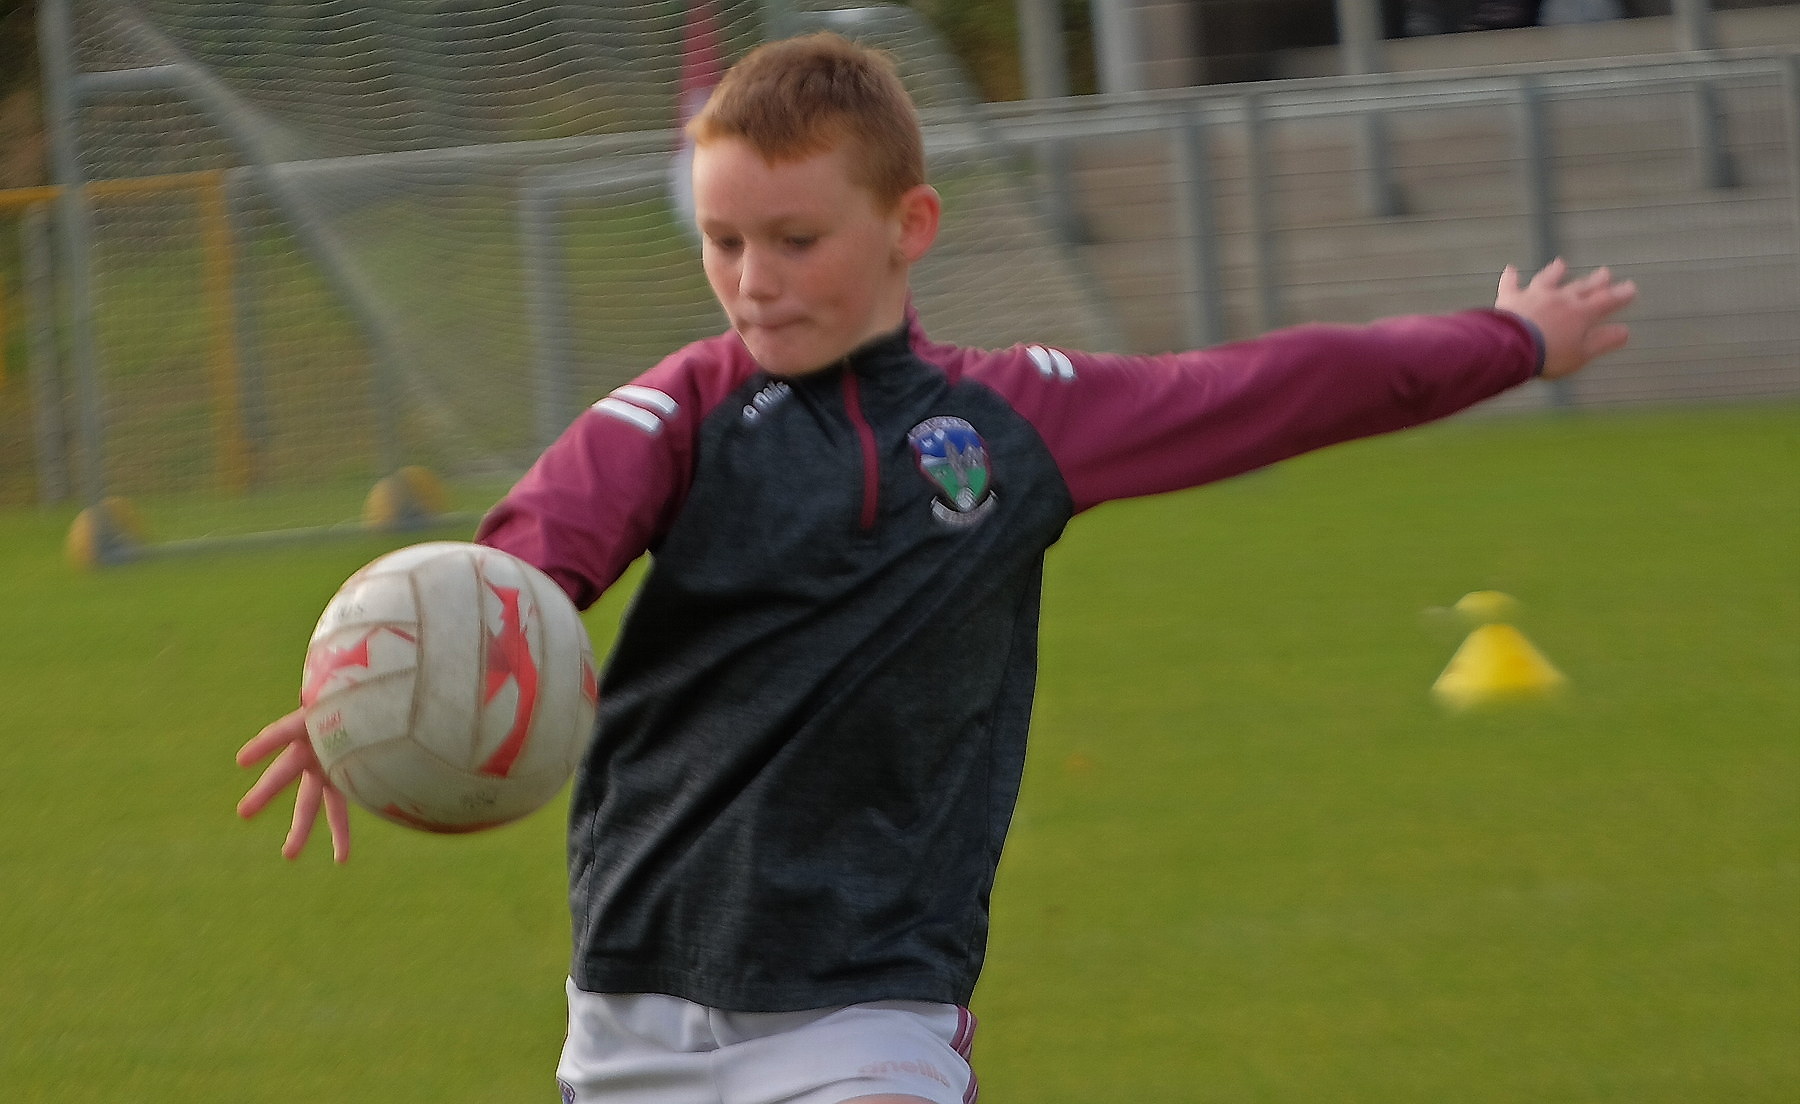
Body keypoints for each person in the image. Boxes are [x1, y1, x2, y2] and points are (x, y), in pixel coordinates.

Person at [236, 31, 1637, 1104]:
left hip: (872, 1002)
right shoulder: (686, 405)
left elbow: (1266, 385)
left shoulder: (1014, 422)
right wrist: (393, 684)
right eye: (724, 242)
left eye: (794, 240)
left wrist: (1509, 341)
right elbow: (546, 544)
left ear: (908, 228)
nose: (752, 279)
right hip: (640, 994)